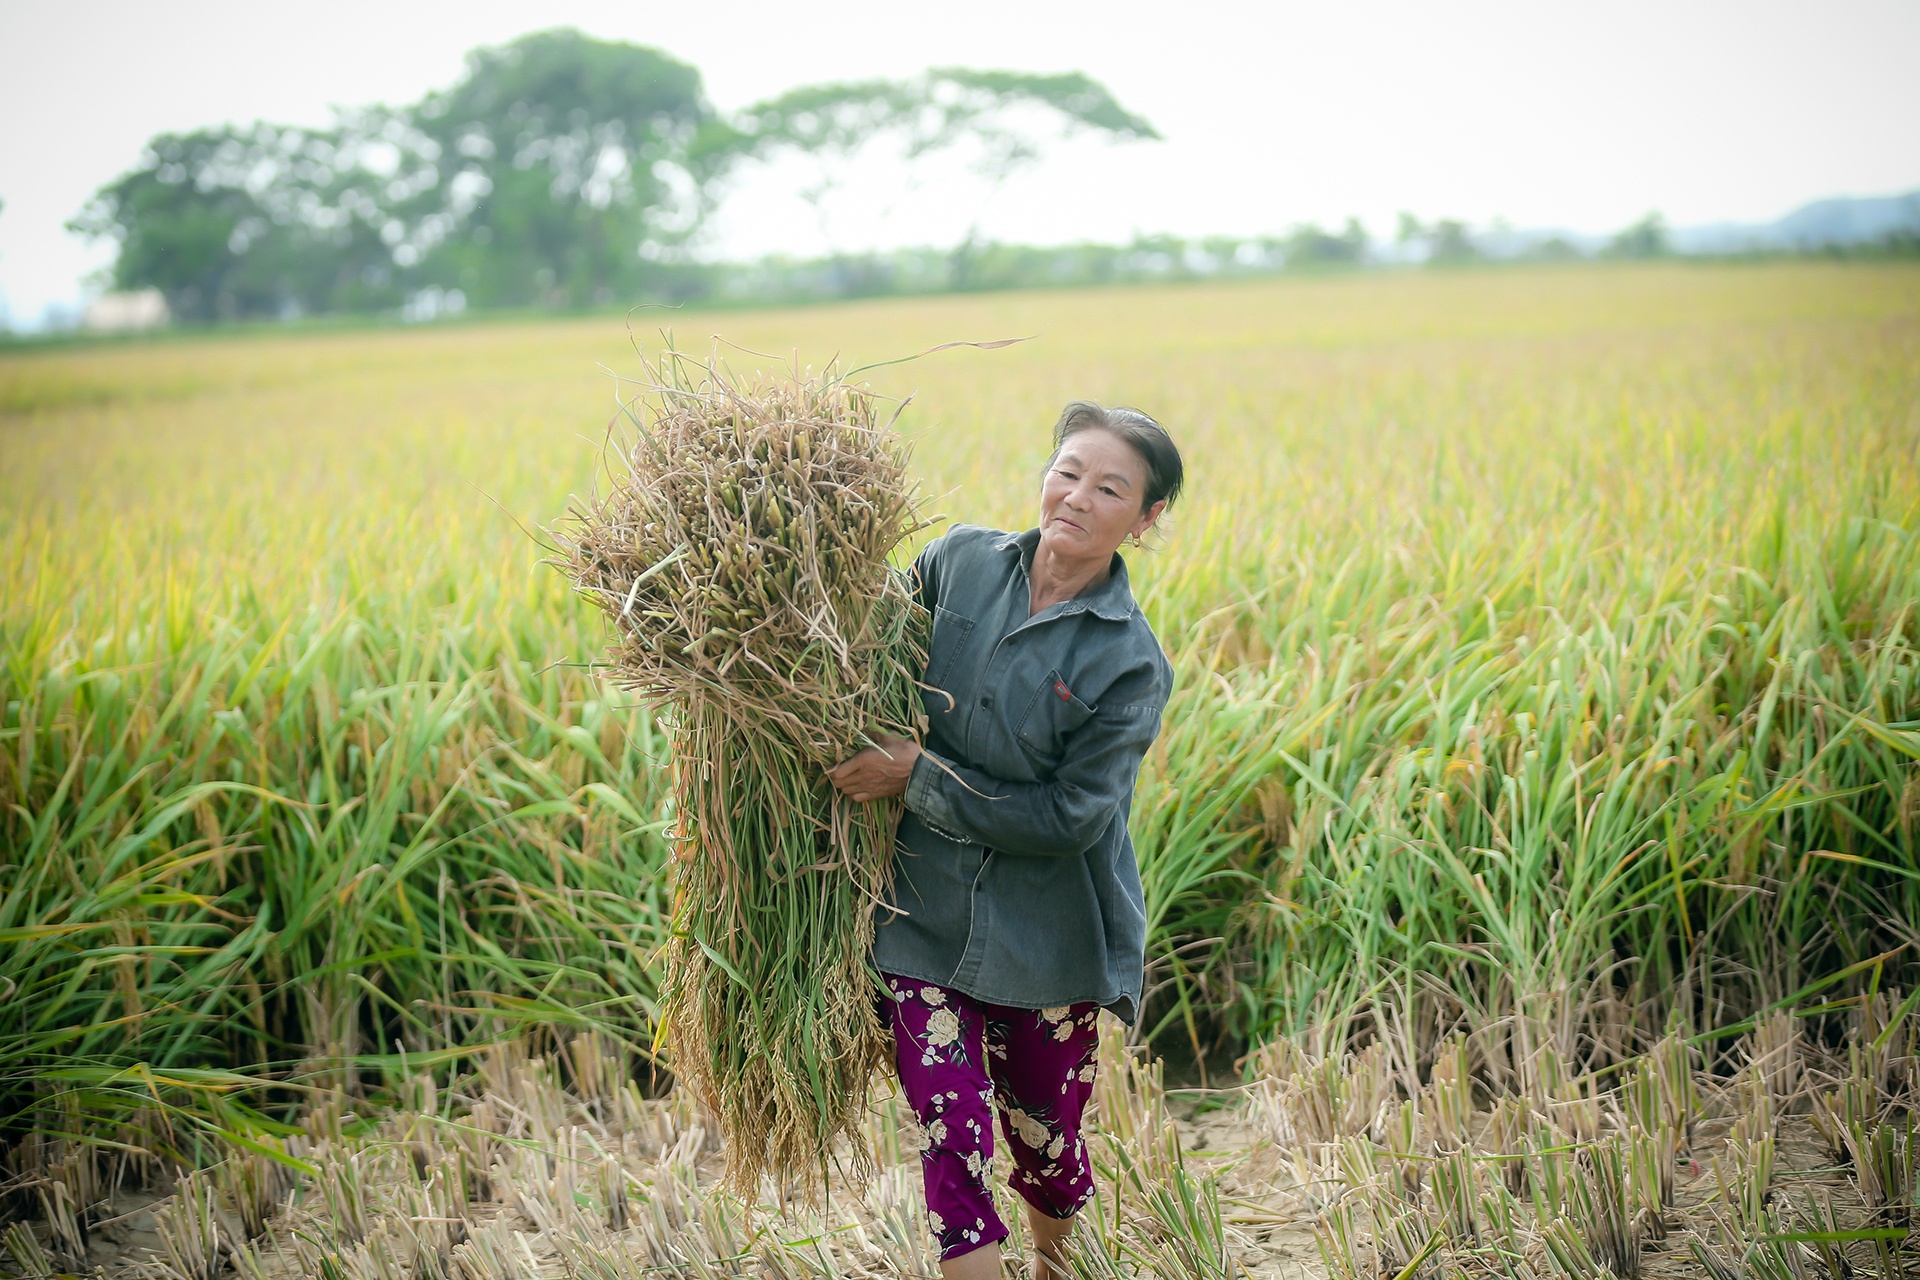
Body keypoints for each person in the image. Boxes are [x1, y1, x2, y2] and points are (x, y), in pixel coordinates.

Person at [827, 401, 1183, 1280]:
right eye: (1068, 470)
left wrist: (922, 778)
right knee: (950, 1131)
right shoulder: (957, 562)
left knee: (1046, 1141)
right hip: (921, 912)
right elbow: (865, 659)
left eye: (1109, 488)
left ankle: (1057, 1261)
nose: (1076, 497)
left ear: (1145, 520)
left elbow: (1072, 818)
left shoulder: (1130, 663)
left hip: (1047, 933)